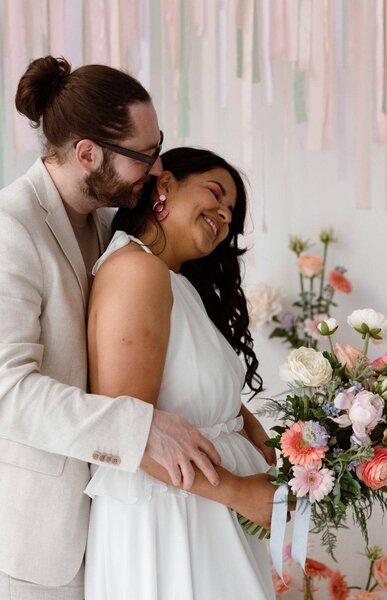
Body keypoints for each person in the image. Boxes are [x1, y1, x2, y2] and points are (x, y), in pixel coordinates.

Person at [0, 56, 225, 600]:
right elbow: (8, 392)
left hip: (124, 526)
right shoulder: (10, 227)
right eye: (145, 156)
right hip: (41, 539)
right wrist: (137, 427)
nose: (156, 168)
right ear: (87, 153)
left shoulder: (110, 221)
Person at [84, 147, 278, 599]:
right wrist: (238, 492)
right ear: (164, 184)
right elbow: (125, 427)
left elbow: (192, 387)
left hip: (204, 511)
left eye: (231, 214)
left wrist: (254, 432)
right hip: (174, 517)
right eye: (215, 194)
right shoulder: (137, 271)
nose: (224, 216)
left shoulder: (172, 280)